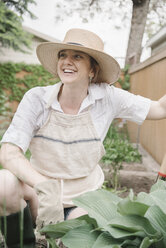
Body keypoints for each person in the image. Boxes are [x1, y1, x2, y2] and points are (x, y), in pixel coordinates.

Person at [0, 28, 166, 247]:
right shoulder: (37, 99)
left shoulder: (108, 98)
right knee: (3, 182)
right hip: (39, 195)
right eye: (63, 55)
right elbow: (9, 151)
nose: (67, 61)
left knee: (81, 235)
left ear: (92, 69)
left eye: (77, 56)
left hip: (81, 199)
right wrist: (44, 185)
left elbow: (159, 108)